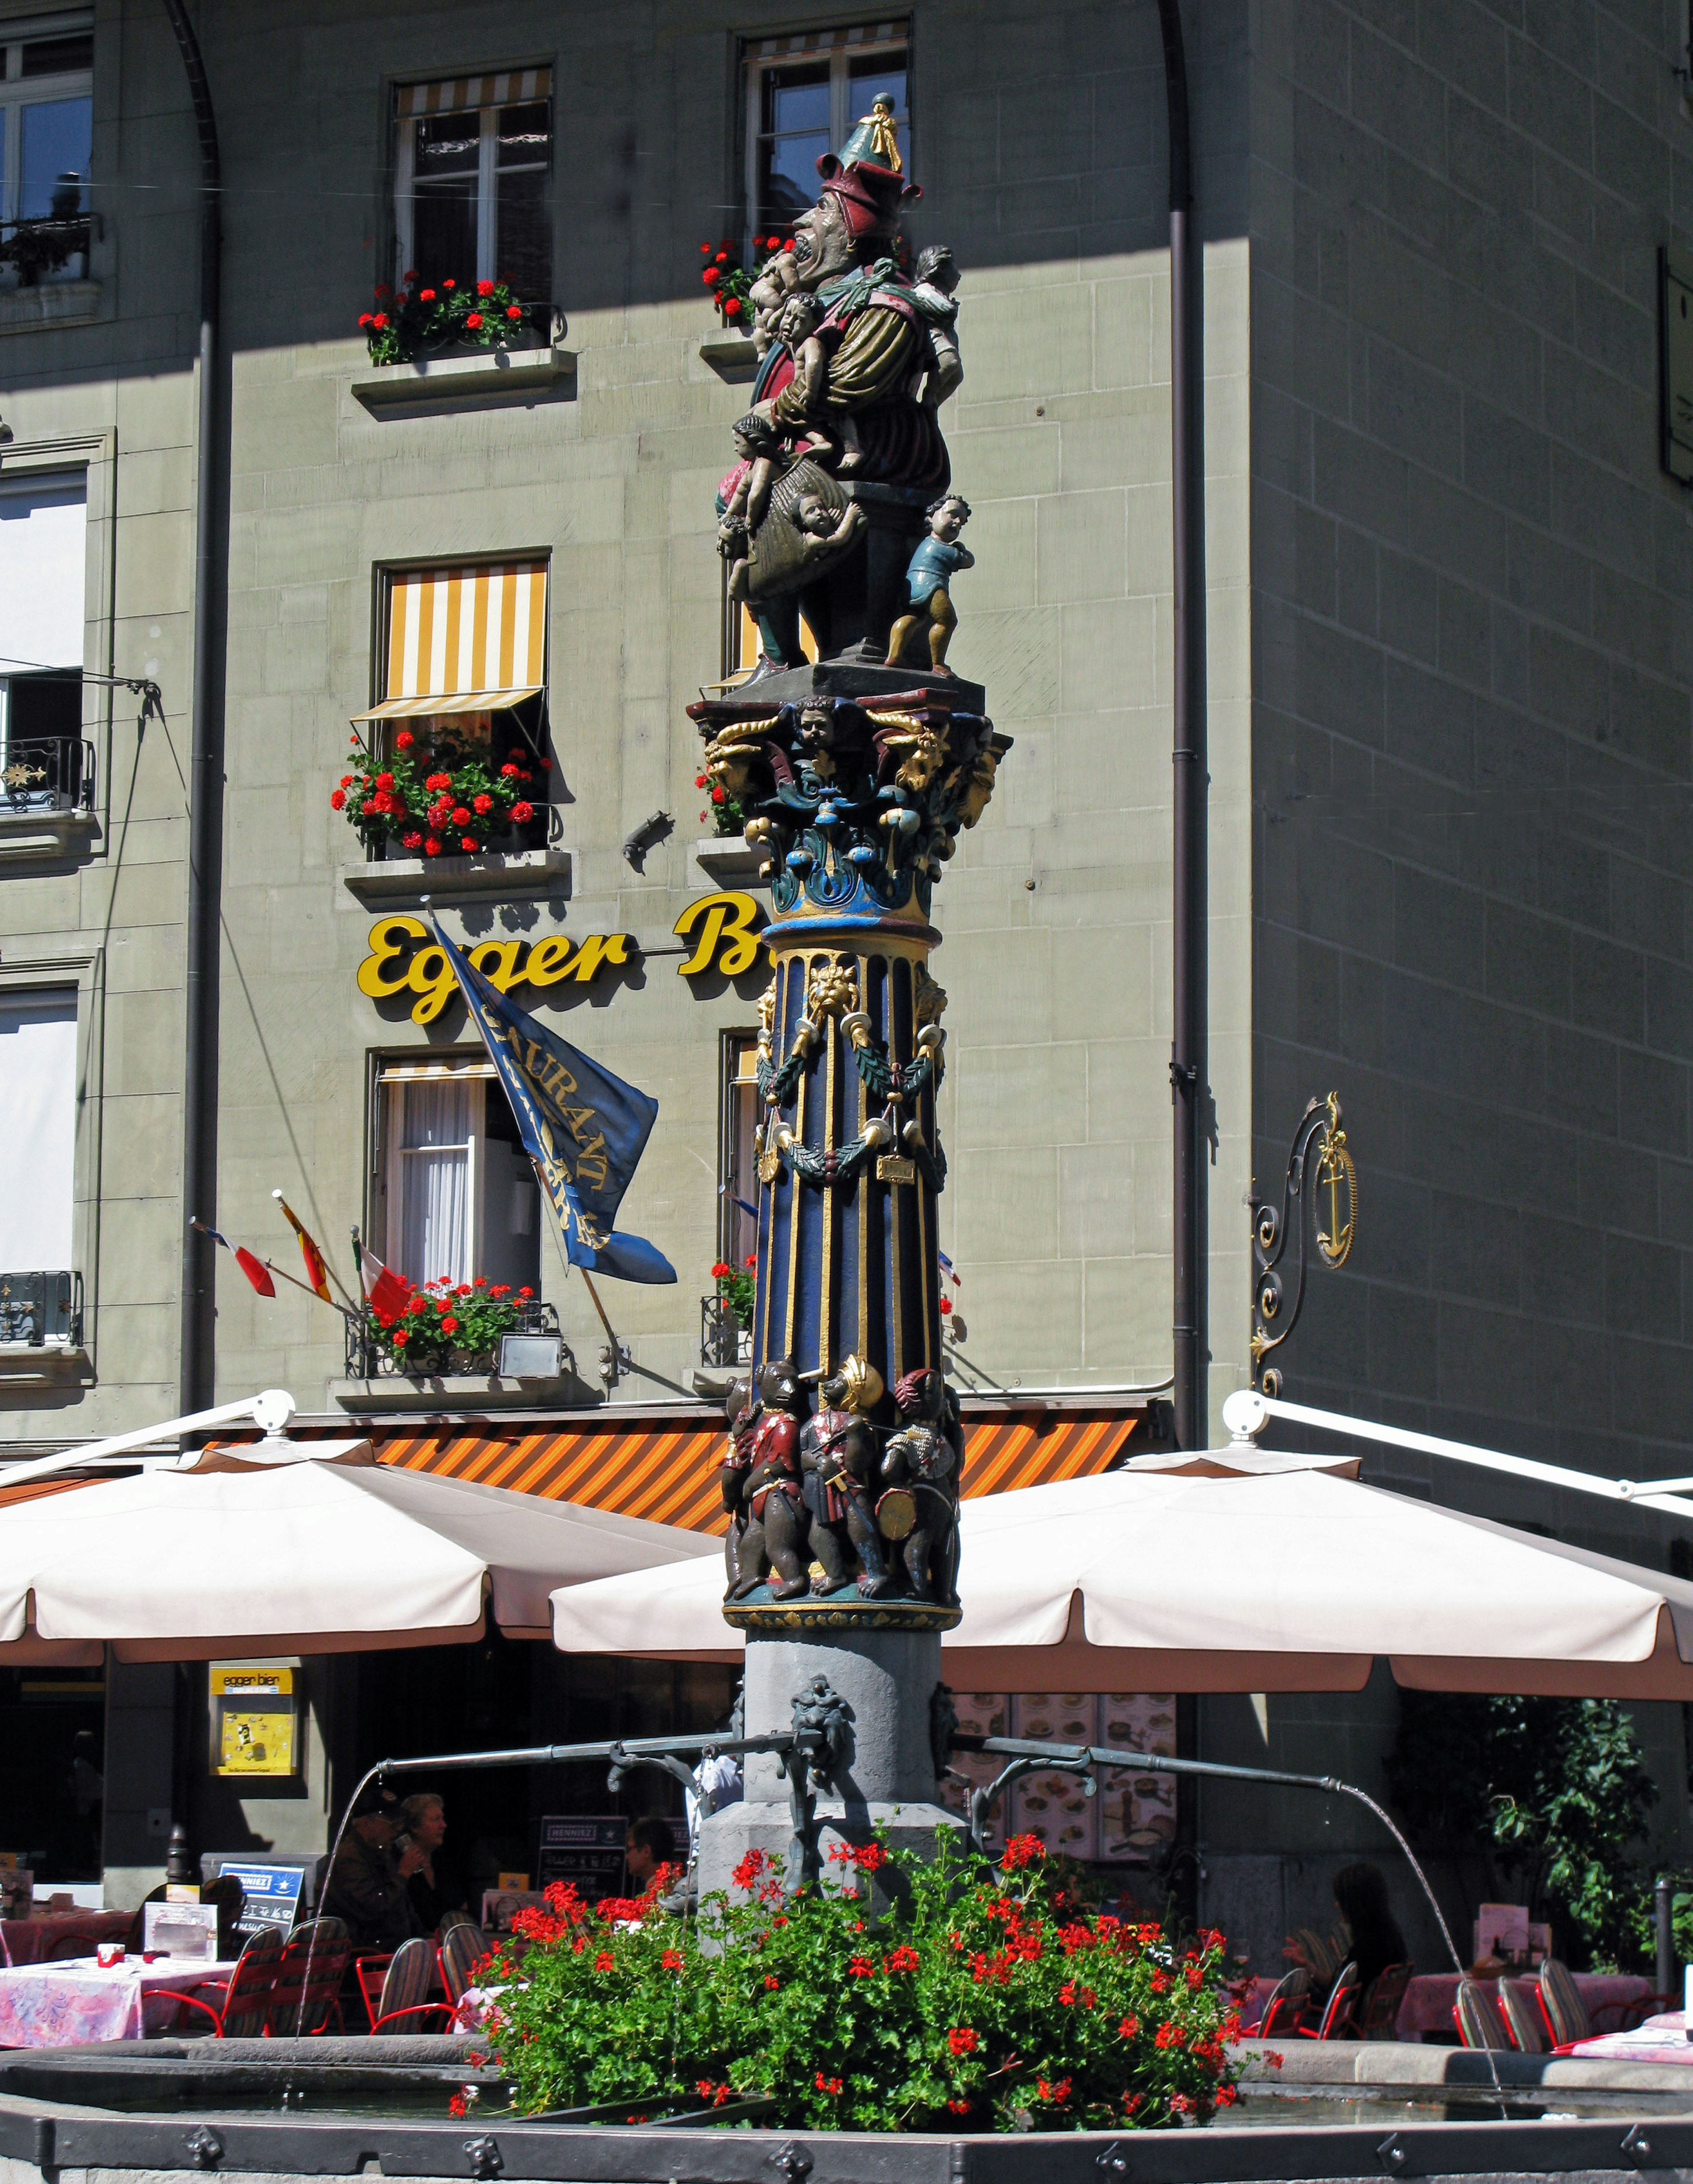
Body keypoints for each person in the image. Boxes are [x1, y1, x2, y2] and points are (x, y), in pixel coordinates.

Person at [322, 1783, 421, 1951]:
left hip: (391, 1946)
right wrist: (403, 1874)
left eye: (399, 1821)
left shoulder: (381, 1853)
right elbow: (374, 1908)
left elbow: (400, 1905)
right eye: (391, 1822)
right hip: (364, 1951)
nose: (397, 1829)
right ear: (367, 1823)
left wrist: (422, 1934)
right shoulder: (348, 1859)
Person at [887, 495, 973, 672]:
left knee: (914, 619)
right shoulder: (938, 546)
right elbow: (968, 561)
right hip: (930, 586)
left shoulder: (925, 544)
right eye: (952, 514)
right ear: (931, 516)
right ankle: (938, 663)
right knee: (947, 621)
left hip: (912, 586)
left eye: (962, 522)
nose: (957, 523)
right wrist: (962, 549)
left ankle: (895, 655)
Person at [1331, 1860, 1407, 1994]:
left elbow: (1338, 1995)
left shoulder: (1365, 1952)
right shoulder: (1388, 1940)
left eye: (1342, 1899)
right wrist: (1311, 1968)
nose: (1337, 1905)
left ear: (1355, 1903)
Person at [397, 1792, 466, 1934]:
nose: (444, 1826)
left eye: (442, 1819)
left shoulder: (442, 1860)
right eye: (436, 1820)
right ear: (414, 1827)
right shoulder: (398, 1862)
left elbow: (459, 1906)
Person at [624, 1816, 677, 1894]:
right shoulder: (673, 1883)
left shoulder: (666, 1890)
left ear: (646, 1851)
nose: (627, 1857)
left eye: (630, 1849)